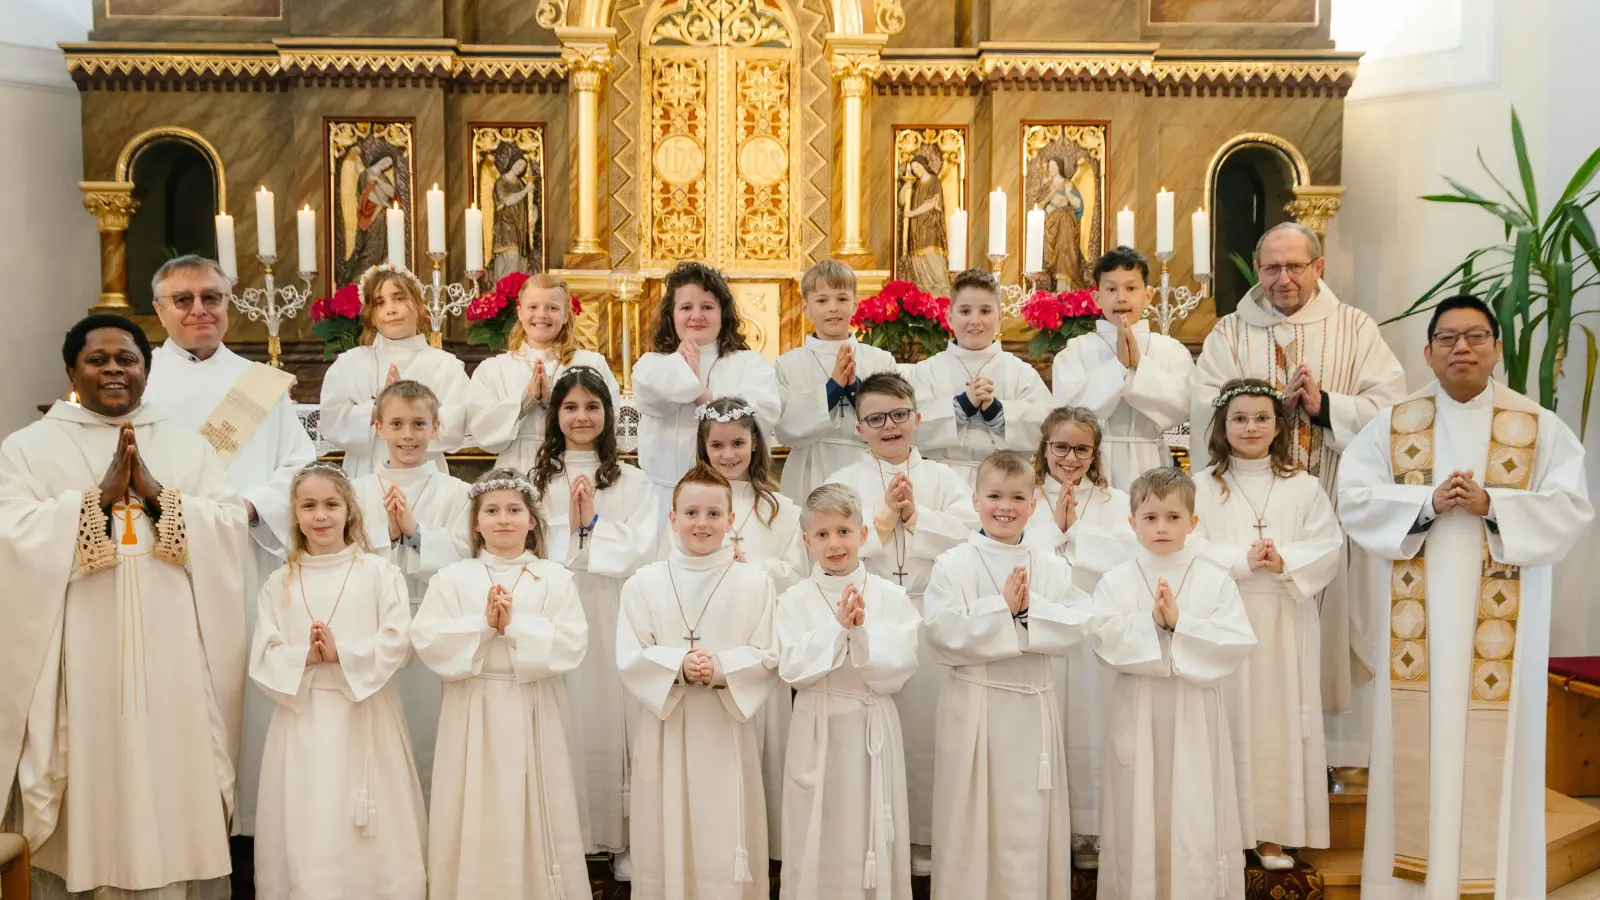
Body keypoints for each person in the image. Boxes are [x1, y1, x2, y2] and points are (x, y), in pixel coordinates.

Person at [1336, 295, 1592, 900]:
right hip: (1416, 641)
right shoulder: (1394, 424)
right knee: (1418, 745)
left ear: (1497, 347)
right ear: (1427, 351)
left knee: (1495, 753)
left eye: (1476, 336)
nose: (1462, 348)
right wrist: (1427, 503)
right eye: (1447, 338)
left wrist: (1494, 505)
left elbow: (1571, 507)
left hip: (1501, 640)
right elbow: (1355, 499)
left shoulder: (1537, 427)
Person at [0, 314, 248, 899]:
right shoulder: (29, 448)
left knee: (175, 766)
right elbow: (11, 533)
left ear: (146, 369)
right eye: (98, 359)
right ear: (72, 372)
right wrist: (96, 501)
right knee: (89, 766)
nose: (114, 369)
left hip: (176, 648)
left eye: (127, 359)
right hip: (79, 649)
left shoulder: (184, 444)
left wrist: (160, 497)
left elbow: (231, 526)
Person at [1191, 223, 1407, 761]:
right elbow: (1202, 410)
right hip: (1245, 519)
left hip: (1326, 502)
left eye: (1294, 266)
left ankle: (1331, 759)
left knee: (1326, 636)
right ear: (1257, 271)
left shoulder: (1355, 329)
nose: (1282, 278)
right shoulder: (1229, 334)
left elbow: (1391, 410)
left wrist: (1325, 406)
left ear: (1319, 267)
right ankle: (1247, 756)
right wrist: (1263, 414)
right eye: (1271, 268)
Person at [143, 254, 318, 836]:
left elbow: (300, 463)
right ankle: (176, 819)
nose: (199, 309)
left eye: (211, 298)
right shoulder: (135, 380)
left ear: (227, 304)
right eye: (184, 298)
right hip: (159, 555)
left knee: (243, 679)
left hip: (243, 553)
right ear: (159, 309)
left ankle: (246, 823)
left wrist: (250, 506)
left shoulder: (259, 382)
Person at [411, 468, 591, 900]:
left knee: (533, 802)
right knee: (475, 804)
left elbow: (571, 643)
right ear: (475, 523)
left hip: (533, 705)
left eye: (514, 510)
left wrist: (512, 628)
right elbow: (428, 639)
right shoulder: (452, 578)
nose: (503, 519)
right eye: (491, 511)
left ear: (533, 521)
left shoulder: (554, 577)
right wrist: (482, 625)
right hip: (473, 706)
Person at [823, 372, 977, 872]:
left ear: (915, 418)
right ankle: (878, 833)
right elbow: (833, 548)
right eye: (875, 418)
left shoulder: (944, 478)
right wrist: (884, 519)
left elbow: (969, 538)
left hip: (930, 607)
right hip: (872, 613)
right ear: (858, 427)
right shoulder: (844, 481)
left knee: (930, 729)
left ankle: (930, 837)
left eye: (897, 415)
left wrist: (916, 519)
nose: (888, 426)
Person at [250, 463, 426, 899]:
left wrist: (342, 654)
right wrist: (306, 656)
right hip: (303, 719)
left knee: (369, 822)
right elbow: (263, 655)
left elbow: (398, 640)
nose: (320, 515)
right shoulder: (279, 582)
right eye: (308, 506)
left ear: (350, 511)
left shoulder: (379, 573)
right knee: (311, 817)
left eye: (331, 504)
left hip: (365, 714)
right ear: (295, 515)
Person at [922, 450, 1093, 900]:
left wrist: (1028, 611)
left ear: (1034, 505)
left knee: (1027, 823)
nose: (1005, 506)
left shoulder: (1051, 564)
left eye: (1018, 497)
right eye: (994, 495)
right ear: (975, 500)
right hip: (973, 707)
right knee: (970, 819)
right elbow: (940, 631)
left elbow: (1079, 624)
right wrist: (1002, 610)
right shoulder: (953, 563)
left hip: (1032, 711)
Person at [1192, 379, 1343, 870]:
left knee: (1276, 722)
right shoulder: (1200, 486)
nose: (1250, 427)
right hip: (1225, 614)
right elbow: (1184, 544)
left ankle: (1273, 833)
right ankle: (1222, 831)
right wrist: (1242, 559)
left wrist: (1283, 560)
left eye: (1261, 417)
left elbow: (1328, 544)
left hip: (1282, 616)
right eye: (1239, 418)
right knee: (1228, 717)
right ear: (1223, 425)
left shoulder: (1303, 486)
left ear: (1279, 425)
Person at [1090, 467, 1256, 900]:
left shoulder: (1213, 578)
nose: (1161, 527)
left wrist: (1182, 625)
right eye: (1149, 518)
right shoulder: (1116, 578)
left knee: (1193, 810)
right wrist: (1151, 627)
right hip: (1137, 708)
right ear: (1132, 523)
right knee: (1136, 808)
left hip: (1194, 713)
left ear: (1193, 523)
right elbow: (1102, 638)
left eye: (1173, 517)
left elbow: (1237, 640)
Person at [616, 463, 780, 900]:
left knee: (723, 824)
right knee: (666, 824)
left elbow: (768, 654)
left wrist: (722, 668)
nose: (702, 523)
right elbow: (630, 653)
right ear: (672, 519)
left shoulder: (756, 583)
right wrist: (679, 665)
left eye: (713, 514)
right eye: (691, 513)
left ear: (730, 520)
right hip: (665, 727)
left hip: (724, 728)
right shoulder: (643, 583)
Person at [529, 366, 659, 875]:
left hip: (609, 603)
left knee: (611, 710)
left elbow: (642, 545)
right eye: (570, 407)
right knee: (564, 709)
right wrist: (572, 534)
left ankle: (618, 835)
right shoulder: (538, 479)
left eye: (592, 407)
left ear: (608, 415)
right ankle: (563, 833)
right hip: (554, 604)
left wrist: (591, 528)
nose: (581, 417)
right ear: (554, 415)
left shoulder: (632, 479)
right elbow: (525, 539)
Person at [775, 483, 920, 900]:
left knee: (870, 826)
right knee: (817, 824)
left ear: (863, 534)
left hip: (870, 725)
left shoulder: (891, 596)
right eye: (822, 535)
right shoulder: (793, 600)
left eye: (843, 531)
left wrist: (863, 631)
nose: (834, 543)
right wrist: (838, 628)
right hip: (817, 727)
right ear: (806, 541)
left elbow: (901, 667)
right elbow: (792, 669)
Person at [1022, 406, 1140, 869]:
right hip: (1044, 627)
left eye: (1082, 449)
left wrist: (1076, 533)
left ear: (1096, 453)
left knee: (1089, 721)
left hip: (1093, 629)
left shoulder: (1116, 501)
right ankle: (1043, 831)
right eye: (1061, 447)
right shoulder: (1025, 495)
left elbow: (1130, 555)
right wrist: (1054, 530)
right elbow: (1010, 544)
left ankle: (1089, 832)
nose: (1070, 458)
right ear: (1044, 447)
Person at [694, 396, 806, 855]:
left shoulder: (780, 509)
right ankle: (716, 839)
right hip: (711, 637)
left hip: (762, 641)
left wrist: (751, 568)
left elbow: (798, 574)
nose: (728, 455)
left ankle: (767, 843)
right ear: (703, 450)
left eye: (738, 443)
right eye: (717, 446)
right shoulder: (694, 503)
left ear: (756, 445)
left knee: (765, 737)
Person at [350, 379, 472, 798]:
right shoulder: (356, 492)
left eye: (419, 423)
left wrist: (416, 534)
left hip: (435, 624)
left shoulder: (459, 492)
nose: (408, 435)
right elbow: (345, 554)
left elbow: (468, 554)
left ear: (435, 427)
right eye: (397, 424)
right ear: (377, 427)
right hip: (374, 625)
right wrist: (388, 533)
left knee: (432, 728)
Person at [633, 262, 781, 515]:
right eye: (686, 307)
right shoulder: (652, 363)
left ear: (723, 314)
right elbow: (651, 401)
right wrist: (682, 369)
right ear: (672, 314)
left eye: (707, 307)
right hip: (662, 500)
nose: (697, 315)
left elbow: (763, 414)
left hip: (731, 498)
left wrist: (701, 395)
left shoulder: (749, 362)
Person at [1051, 247, 1193, 489]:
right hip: (1092, 463)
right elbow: (1067, 411)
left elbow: (1184, 405)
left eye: (1131, 288)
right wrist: (1118, 367)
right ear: (1096, 298)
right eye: (1111, 289)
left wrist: (1140, 364)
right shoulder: (1075, 350)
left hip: (1150, 460)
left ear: (1148, 295)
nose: (1121, 297)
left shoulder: (1171, 350)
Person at [903, 268, 1053, 483]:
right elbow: (906, 427)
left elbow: (1048, 428)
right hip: (940, 481)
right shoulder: (926, 372)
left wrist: (998, 413)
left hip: (1006, 484)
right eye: (965, 311)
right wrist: (961, 406)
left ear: (1000, 318)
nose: (975, 320)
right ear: (949, 317)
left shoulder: (1021, 373)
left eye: (985, 311)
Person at [319, 265, 470, 478]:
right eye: (380, 303)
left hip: (424, 473)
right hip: (364, 473)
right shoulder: (349, 364)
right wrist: (378, 406)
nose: (391, 309)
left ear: (418, 305)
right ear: (371, 315)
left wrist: (407, 409)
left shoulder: (444, 365)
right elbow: (332, 423)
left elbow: (453, 428)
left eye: (399, 298)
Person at [468, 273, 620, 477]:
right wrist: (526, 401)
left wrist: (553, 401)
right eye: (533, 307)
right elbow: (483, 431)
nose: (542, 314)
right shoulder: (494, 369)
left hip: (575, 469)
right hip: (515, 470)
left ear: (566, 315)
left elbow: (610, 421)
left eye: (552, 308)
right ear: (520, 313)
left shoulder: (591, 363)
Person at [774, 260, 898, 502]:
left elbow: (895, 420)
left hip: (869, 467)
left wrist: (854, 390)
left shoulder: (881, 360)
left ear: (855, 304)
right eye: (821, 300)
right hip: (810, 471)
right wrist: (833, 388)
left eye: (842, 299)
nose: (833, 308)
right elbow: (784, 428)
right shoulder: (788, 364)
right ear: (805, 308)